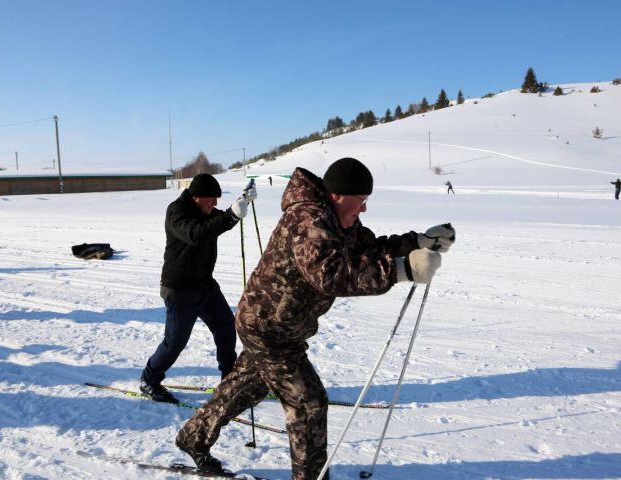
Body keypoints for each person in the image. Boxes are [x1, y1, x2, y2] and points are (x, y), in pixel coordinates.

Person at [175, 158, 455, 479]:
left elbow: (369, 247)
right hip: (271, 328)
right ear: (338, 195)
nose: (363, 209)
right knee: (308, 404)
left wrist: (418, 241)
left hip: (276, 323)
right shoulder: (310, 219)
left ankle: (193, 438)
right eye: (360, 201)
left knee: (246, 388)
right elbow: (331, 275)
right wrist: (404, 270)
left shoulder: (334, 220)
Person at [139, 173, 258, 403]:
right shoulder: (177, 212)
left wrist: (242, 202)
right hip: (180, 289)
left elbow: (220, 221)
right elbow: (197, 234)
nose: (215, 203)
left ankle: (228, 378)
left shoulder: (204, 211)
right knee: (174, 343)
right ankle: (149, 379)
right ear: (197, 197)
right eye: (211, 199)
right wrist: (231, 216)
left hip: (205, 285)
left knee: (225, 326)